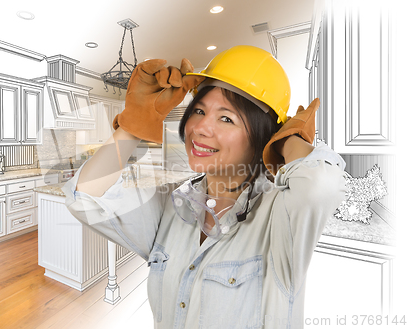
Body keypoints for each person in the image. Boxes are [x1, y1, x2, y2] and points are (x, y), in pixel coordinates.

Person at [62, 45, 347, 329]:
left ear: (263, 136)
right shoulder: (172, 205)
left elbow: (320, 186)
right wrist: (133, 124)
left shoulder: (280, 217)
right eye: (198, 110)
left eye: (226, 118)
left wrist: (289, 140)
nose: (200, 127)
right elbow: (85, 197)